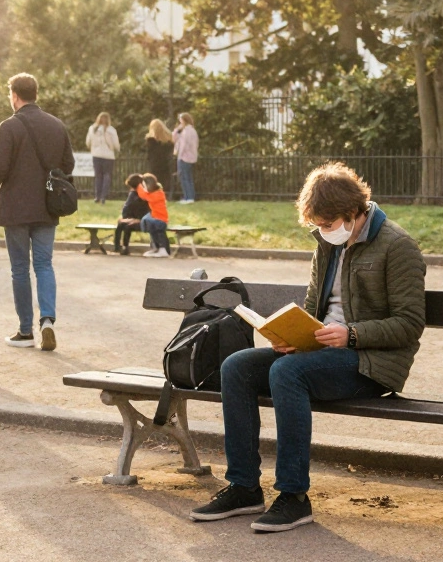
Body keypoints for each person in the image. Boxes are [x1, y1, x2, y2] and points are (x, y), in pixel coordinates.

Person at [190, 162, 426, 533]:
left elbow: (410, 324)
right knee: (236, 366)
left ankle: (294, 496)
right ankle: (244, 487)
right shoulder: (326, 246)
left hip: (370, 363)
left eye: (327, 224)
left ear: (352, 212)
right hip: (321, 353)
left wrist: (351, 334)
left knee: (286, 372)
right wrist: (291, 336)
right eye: (317, 225)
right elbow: (314, 306)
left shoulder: (397, 246)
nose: (322, 232)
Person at [0, 73, 74, 351]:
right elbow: (68, 164)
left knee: (19, 269)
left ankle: (25, 331)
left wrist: (1, 180)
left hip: (15, 207)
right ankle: (47, 320)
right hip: (46, 206)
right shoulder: (56, 125)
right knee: (44, 264)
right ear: (35, 93)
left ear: (14, 95)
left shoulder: (9, 126)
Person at [86, 112, 120, 204]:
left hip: (96, 154)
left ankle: (97, 196)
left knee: (98, 176)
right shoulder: (111, 130)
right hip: (108, 155)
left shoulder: (92, 128)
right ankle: (103, 196)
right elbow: (116, 144)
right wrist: (117, 149)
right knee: (107, 175)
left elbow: (88, 142)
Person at [114, 173, 151, 255]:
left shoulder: (141, 195)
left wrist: (133, 219)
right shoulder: (134, 194)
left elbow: (141, 210)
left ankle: (121, 247)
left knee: (125, 226)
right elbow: (128, 210)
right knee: (122, 224)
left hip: (142, 220)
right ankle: (120, 247)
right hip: (134, 219)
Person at [136, 173, 171, 257]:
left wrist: (138, 185)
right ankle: (156, 248)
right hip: (155, 217)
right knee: (150, 226)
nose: (144, 188)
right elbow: (144, 195)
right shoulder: (154, 193)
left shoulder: (158, 194)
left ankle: (163, 249)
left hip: (161, 219)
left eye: (144, 186)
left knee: (157, 229)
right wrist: (140, 185)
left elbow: (145, 196)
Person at [172, 112, 199, 204]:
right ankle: (190, 197)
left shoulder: (187, 131)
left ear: (184, 120)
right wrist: (177, 130)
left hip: (184, 157)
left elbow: (183, 145)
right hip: (191, 157)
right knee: (188, 177)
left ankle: (189, 197)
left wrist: (179, 155)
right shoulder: (192, 130)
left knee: (184, 177)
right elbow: (175, 138)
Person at [145, 119, 174, 190]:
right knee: (164, 180)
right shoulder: (168, 141)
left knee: (154, 181)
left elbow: (149, 153)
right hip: (165, 164)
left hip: (154, 164)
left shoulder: (151, 140)